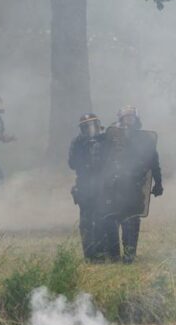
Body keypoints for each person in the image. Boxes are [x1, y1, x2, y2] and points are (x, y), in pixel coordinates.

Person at [100, 106, 163, 263]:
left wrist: (158, 183)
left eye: (131, 118)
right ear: (120, 120)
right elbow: (101, 160)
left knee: (132, 220)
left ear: (136, 120)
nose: (128, 121)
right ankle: (113, 255)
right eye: (125, 118)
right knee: (111, 219)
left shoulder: (145, 139)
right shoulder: (111, 138)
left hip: (134, 185)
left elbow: (153, 163)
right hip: (113, 185)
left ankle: (129, 255)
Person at [68, 113, 109, 261]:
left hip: (103, 183)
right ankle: (89, 254)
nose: (90, 129)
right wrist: (83, 149)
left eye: (92, 125)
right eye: (86, 126)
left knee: (103, 218)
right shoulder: (77, 143)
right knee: (86, 221)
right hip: (84, 184)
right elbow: (72, 164)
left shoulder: (105, 140)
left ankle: (103, 251)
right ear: (82, 129)